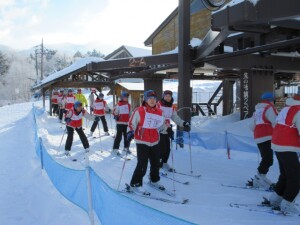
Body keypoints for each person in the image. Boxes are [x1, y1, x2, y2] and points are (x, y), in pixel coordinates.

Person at [127, 90, 166, 193]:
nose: (152, 101)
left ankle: (154, 180)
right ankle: (135, 184)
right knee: (142, 164)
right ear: (145, 99)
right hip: (142, 141)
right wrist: (130, 132)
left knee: (156, 163)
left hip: (154, 141)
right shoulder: (139, 110)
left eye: (154, 99)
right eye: (150, 99)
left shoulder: (159, 112)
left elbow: (162, 125)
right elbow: (131, 123)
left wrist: (167, 129)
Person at [268, 94, 300, 215]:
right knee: (296, 177)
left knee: (286, 174)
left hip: (278, 144)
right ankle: (288, 203)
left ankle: (276, 199)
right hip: (287, 145)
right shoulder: (298, 110)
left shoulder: (287, 108)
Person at [248, 92, 278, 189]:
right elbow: (275, 122)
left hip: (258, 136)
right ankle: (259, 177)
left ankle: (260, 177)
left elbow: (252, 126)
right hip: (267, 135)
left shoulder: (257, 110)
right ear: (272, 100)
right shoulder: (269, 108)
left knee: (266, 158)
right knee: (268, 159)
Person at [156, 90, 191, 172]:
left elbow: (175, 117)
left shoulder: (171, 107)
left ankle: (164, 163)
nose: (168, 98)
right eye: (166, 96)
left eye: (169, 96)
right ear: (163, 97)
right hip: (159, 130)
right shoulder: (158, 105)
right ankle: (158, 166)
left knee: (167, 148)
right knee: (161, 148)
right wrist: (164, 127)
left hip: (167, 129)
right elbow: (158, 118)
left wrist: (183, 123)